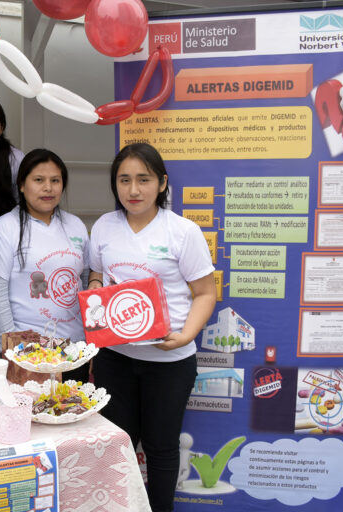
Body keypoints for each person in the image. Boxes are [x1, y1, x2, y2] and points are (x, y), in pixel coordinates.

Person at [88, 143, 216, 512]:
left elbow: (205, 293)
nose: (133, 190)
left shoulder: (182, 231)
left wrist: (186, 335)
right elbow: (98, 275)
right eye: (124, 180)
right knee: (118, 444)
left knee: (161, 448)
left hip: (170, 361)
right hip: (116, 358)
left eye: (143, 180)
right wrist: (96, 290)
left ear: (162, 183)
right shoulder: (104, 227)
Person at [0, 148, 90, 382]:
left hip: (75, 350)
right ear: (22, 185)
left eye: (55, 180)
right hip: (28, 351)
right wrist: (13, 350)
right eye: (39, 180)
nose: (48, 188)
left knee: (73, 415)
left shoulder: (75, 225)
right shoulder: (6, 227)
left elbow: (85, 284)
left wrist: (89, 341)